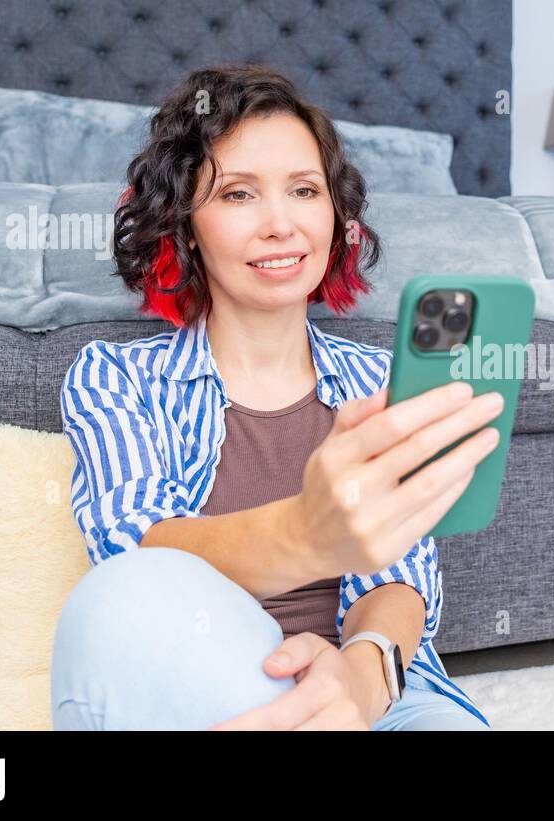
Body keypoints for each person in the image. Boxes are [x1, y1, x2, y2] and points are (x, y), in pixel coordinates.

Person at [50, 64, 502, 730]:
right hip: (210, 676)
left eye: (303, 190)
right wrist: (307, 533)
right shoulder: (115, 377)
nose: (281, 224)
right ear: (183, 224)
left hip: (377, 691)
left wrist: (360, 678)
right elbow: (134, 552)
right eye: (237, 195)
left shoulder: (379, 379)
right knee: (119, 597)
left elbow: (403, 580)